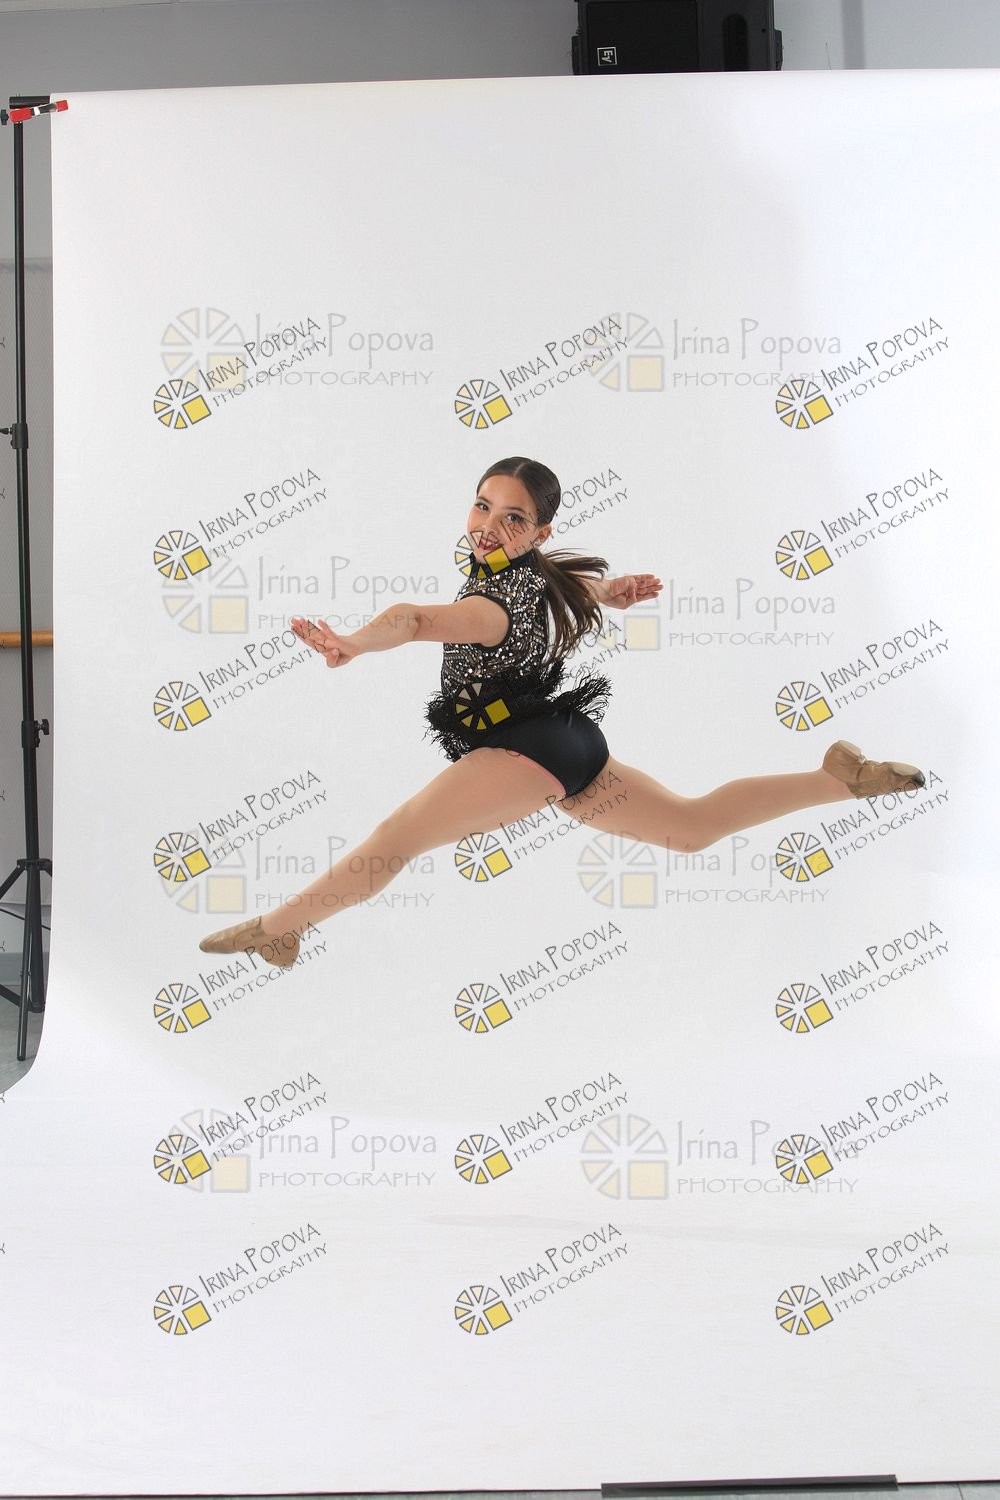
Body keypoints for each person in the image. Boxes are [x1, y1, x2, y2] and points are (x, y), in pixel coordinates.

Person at [198, 455, 923, 968]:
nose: (489, 525)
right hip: (567, 744)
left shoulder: (488, 605)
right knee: (693, 826)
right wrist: (611, 591)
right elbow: (570, 586)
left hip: (524, 749)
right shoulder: (536, 574)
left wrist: (354, 642)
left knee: (399, 837)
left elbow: (414, 619)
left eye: (513, 518)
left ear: (539, 532)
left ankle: (277, 929)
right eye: (483, 506)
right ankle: (838, 779)